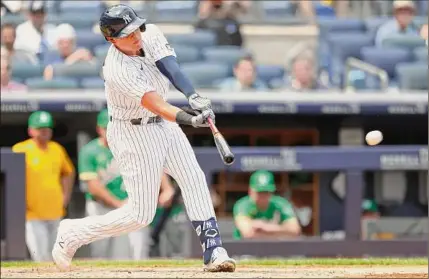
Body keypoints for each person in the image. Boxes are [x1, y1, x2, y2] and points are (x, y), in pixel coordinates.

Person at [52, 4, 235, 272]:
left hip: (164, 125)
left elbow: (169, 66)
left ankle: (213, 249)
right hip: (132, 132)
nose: (136, 35)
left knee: (193, 177)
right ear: (111, 39)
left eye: (136, 27)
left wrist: (192, 95)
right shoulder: (116, 70)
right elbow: (158, 104)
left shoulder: (149, 34)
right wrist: (190, 118)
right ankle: (73, 232)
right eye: (127, 33)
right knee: (140, 216)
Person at [78, 109, 150, 260]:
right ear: (99, 129)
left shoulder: (130, 147)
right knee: (100, 252)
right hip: (101, 207)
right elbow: (93, 186)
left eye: (113, 127)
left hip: (128, 205)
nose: (110, 131)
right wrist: (118, 203)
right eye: (106, 128)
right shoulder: (89, 150)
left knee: (133, 252)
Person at [12, 111, 75, 262]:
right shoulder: (20, 149)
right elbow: (12, 180)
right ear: (31, 130)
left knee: (57, 255)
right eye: (40, 128)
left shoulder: (57, 149)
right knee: (40, 256)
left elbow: (68, 173)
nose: (44, 132)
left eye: (47, 128)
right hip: (32, 212)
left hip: (56, 209)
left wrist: (66, 196)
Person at [233, 170, 301, 240]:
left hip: (273, 249)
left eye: (266, 192)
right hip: (245, 248)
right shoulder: (242, 205)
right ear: (250, 191)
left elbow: (295, 230)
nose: (263, 196)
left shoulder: (281, 203)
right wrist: (282, 231)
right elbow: (248, 233)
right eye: (259, 192)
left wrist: (267, 228)